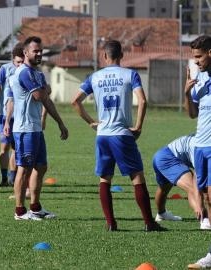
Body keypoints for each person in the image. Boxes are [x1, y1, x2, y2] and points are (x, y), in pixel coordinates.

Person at [72, 40, 165, 231]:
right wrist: (138, 126)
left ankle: (111, 223)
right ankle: (149, 223)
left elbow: (75, 101)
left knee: (105, 178)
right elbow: (143, 101)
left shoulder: (95, 77)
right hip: (122, 134)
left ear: (104, 56)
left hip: (103, 135)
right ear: (121, 55)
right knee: (137, 177)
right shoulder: (130, 74)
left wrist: (91, 122)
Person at [10, 36, 68, 220]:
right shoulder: (24, 73)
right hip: (24, 129)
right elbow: (39, 95)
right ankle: (19, 212)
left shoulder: (38, 74)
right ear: (25, 53)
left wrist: (60, 122)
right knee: (24, 169)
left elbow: (47, 99)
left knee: (41, 167)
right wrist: (44, 90)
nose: (39, 53)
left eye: (41, 50)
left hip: (35, 129)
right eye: (35, 51)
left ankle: (35, 207)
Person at [184, 35, 211, 226]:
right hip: (199, 144)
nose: (196, 61)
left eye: (200, 56)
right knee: (205, 195)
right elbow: (192, 114)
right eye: (194, 57)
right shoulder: (198, 78)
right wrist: (186, 93)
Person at [152, 134, 206, 227]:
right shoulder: (200, 147)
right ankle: (205, 220)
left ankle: (161, 214)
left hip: (160, 156)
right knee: (193, 189)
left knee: (164, 188)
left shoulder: (203, 139)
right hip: (168, 158)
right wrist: (199, 205)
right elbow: (197, 176)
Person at [0, 43, 24, 186]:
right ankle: (4, 178)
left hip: (20, 116)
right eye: (18, 62)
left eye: (22, 62)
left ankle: (12, 178)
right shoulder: (5, 69)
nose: (20, 65)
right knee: (4, 148)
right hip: (5, 115)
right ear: (13, 60)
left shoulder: (27, 71)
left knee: (16, 148)